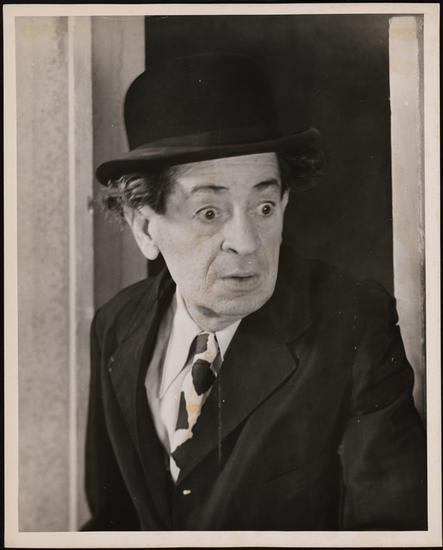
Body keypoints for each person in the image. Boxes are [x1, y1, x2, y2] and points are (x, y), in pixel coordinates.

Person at [82, 52, 427, 531]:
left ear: (284, 201)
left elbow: (390, 531)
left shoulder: (352, 324)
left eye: (264, 207)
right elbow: (113, 521)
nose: (246, 243)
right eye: (209, 213)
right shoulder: (117, 325)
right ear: (144, 227)